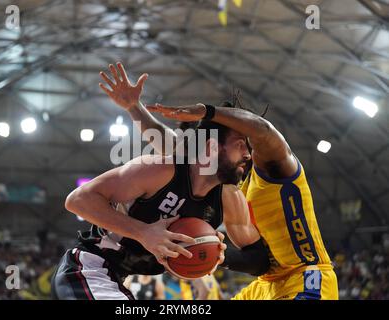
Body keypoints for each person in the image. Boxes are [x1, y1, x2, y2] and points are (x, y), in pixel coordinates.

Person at [106, 62, 338, 300]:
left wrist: (208, 112)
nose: (246, 154)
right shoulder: (226, 181)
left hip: (306, 274)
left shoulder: (276, 168)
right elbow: (175, 147)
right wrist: (134, 107)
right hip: (264, 285)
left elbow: (264, 131)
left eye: (244, 144)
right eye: (238, 145)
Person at [50, 64, 270, 300]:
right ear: (213, 147)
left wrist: (217, 255)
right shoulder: (160, 169)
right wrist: (144, 233)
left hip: (118, 282)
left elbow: (259, 260)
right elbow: (77, 200)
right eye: (240, 146)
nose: (248, 155)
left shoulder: (229, 197)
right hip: (89, 268)